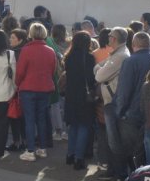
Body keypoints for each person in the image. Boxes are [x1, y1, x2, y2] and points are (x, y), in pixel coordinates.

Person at [114, 32, 150, 176]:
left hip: (131, 114)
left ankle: (130, 179)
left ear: (133, 45)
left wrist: (120, 111)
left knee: (130, 150)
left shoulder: (130, 61)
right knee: (147, 150)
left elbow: (124, 90)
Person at [15, 23, 57, 161]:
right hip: (45, 89)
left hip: (28, 88)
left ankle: (30, 150)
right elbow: (53, 71)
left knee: (29, 120)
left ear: (30, 34)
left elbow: (20, 72)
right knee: (41, 119)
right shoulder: (50, 51)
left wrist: (17, 83)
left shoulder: (26, 50)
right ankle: (42, 148)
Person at [63, 32, 96, 170]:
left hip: (70, 95)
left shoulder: (68, 57)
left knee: (73, 126)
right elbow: (91, 78)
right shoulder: (89, 58)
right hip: (84, 96)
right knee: (83, 127)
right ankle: (79, 158)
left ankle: (70, 155)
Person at [6, 29, 28, 151]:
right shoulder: (26, 51)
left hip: (15, 87)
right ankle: (24, 140)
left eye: (13, 37)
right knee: (23, 116)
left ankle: (17, 141)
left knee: (15, 115)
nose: (10, 40)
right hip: (25, 88)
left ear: (20, 40)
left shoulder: (13, 53)